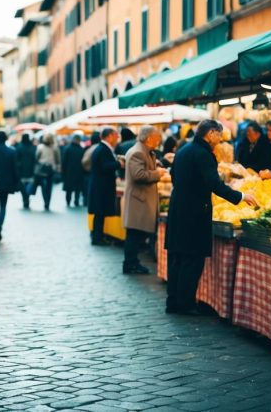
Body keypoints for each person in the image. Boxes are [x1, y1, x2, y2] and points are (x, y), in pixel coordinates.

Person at [166, 119, 256, 315]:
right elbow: (214, 184)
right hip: (195, 212)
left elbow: (173, 176)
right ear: (211, 133)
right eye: (219, 136)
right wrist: (240, 196)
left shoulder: (183, 150)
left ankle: (173, 301)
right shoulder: (204, 154)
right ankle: (186, 304)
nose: (220, 140)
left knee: (178, 257)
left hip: (178, 208)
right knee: (193, 259)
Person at [122, 126, 167, 274]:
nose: (159, 140)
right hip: (138, 199)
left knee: (136, 233)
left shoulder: (144, 151)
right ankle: (130, 263)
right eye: (157, 137)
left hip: (140, 199)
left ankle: (132, 262)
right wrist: (157, 173)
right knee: (134, 233)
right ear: (149, 138)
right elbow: (139, 175)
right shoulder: (138, 153)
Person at [88, 127, 121, 246]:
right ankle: (97, 237)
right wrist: (119, 164)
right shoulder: (103, 149)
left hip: (100, 186)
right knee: (99, 212)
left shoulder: (102, 148)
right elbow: (106, 166)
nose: (117, 138)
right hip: (101, 187)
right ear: (110, 136)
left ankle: (98, 236)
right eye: (116, 135)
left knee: (99, 212)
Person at [35, 132, 61, 211]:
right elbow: (58, 159)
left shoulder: (40, 147)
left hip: (42, 169)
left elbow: (36, 157)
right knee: (49, 187)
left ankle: (45, 200)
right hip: (51, 169)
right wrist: (58, 167)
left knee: (43, 186)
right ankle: (48, 202)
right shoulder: (55, 148)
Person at [61, 133, 85, 207]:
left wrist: (63, 172)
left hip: (69, 172)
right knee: (77, 188)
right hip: (79, 172)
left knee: (69, 189)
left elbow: (64, 161)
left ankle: (68, 201)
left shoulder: (67, 148)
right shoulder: (81, 150)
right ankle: (76, 201)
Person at [15, 132, 37, 209]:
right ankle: (27, 198)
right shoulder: (33, 147)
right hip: (31, 170)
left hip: (21, 171)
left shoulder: (19, 147)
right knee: (29, 186)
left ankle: (25, 199)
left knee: (22, 187)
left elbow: (16, 159)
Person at [81, 131, 101, 206]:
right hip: (93, 173)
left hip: (88, 172)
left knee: (88, 189)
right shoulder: (98, 148)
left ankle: (86, 201)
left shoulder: (89, 149)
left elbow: (84, 162)